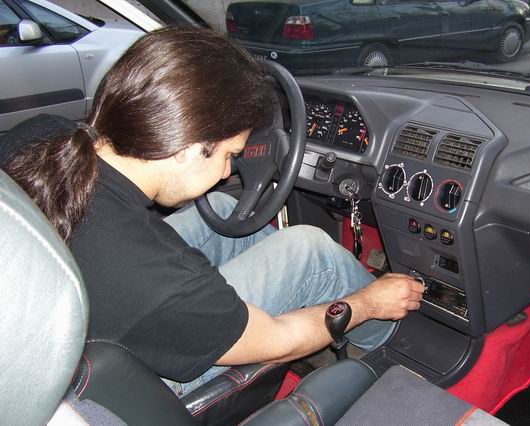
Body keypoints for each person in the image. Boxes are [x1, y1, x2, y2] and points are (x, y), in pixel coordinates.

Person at [3, 26, 424, 396]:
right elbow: (280, 339)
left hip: (49, 327)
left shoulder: (41, 136)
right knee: (312, 253)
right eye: (229, 155)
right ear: (188, 147)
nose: (227, 172)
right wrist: (369, 302)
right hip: (127, 386)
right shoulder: (152, 277)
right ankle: (394, 347)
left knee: (223, 210)